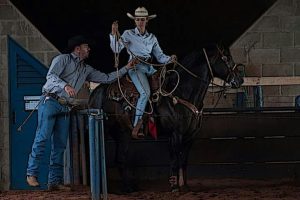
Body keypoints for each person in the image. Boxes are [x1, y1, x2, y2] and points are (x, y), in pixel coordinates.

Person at [26, 35, 135, 190]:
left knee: (60, 144)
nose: (89, 49)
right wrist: (65, 86)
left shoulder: (86, 69)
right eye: (86, 47)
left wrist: (126, 68)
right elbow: (50, 76)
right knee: (42, 137)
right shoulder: (62, 59)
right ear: (77, 49)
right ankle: (31, 173)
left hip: (66, 106)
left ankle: (54, 182)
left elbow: (106, 77)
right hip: (50, 101)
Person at [110, 6, 176, 138]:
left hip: (149, 67)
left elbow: (160, 56)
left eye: (143, 19)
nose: (140, 22)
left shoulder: (152, 37)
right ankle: (136, 126)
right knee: (145, 93)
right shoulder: (128, 34)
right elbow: (116, 49)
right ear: (135, 21)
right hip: (135, 67)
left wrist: (170, 59)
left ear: (147, 21)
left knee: (164, 88)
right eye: (138, 19)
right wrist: (113, 34)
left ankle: (161, 121)